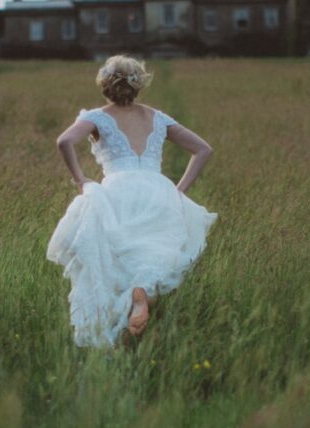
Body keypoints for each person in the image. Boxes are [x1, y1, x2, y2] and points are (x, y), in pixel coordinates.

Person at [47, 55, 217, 348]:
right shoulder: (157, 117)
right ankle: (141, 293)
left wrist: (80, 180)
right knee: (152, 252)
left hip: (117, 190)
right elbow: (203, 149)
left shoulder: (97, 117)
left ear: (105, 85)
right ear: (138, 84)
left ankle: (120, 322)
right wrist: (179, 191)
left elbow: (64, 141)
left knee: (114, 256)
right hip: (157, 190)